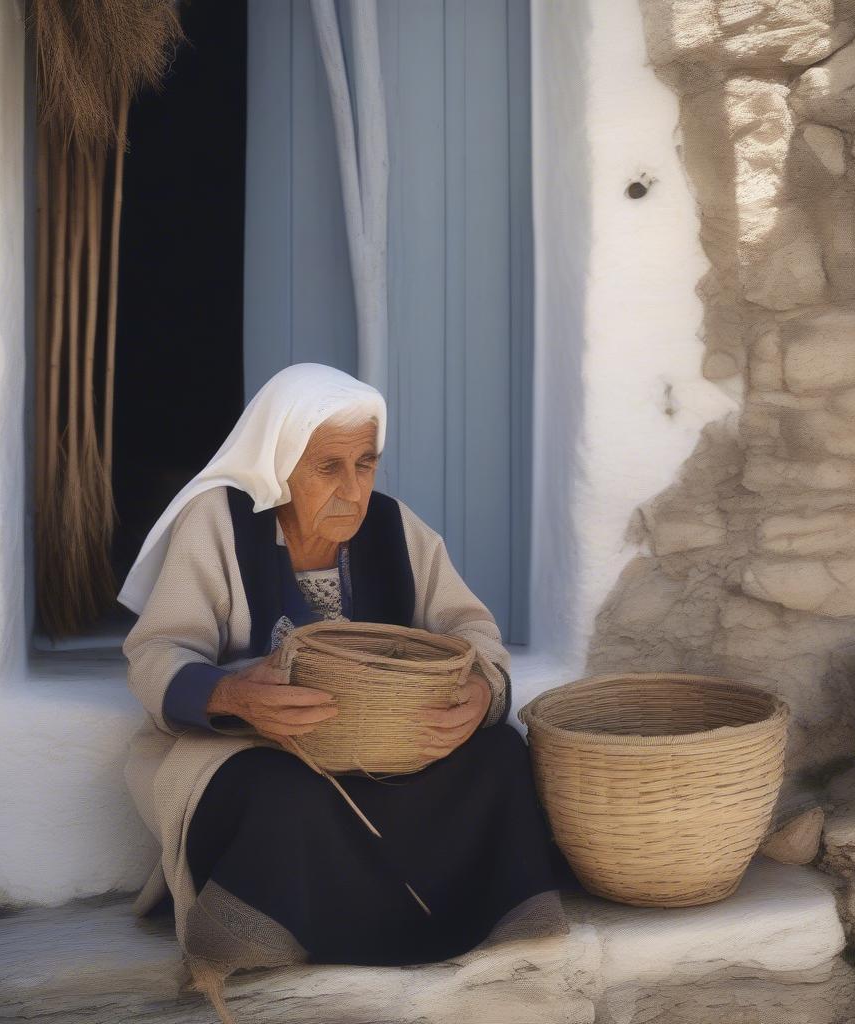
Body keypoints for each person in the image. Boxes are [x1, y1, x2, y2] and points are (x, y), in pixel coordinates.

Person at [118, 362, 577, 1003]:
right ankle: (268, 926)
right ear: (279, 463)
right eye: (328, 467)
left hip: (383, 748)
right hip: (258, 746)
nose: (354, 489)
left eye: (366, 463)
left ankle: (492, 913)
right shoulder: (217, 525)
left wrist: (480, 694)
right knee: (285, 795)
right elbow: (157, 651)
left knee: (500, 753)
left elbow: (470, 626)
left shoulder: (392, 528)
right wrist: (234, 697)